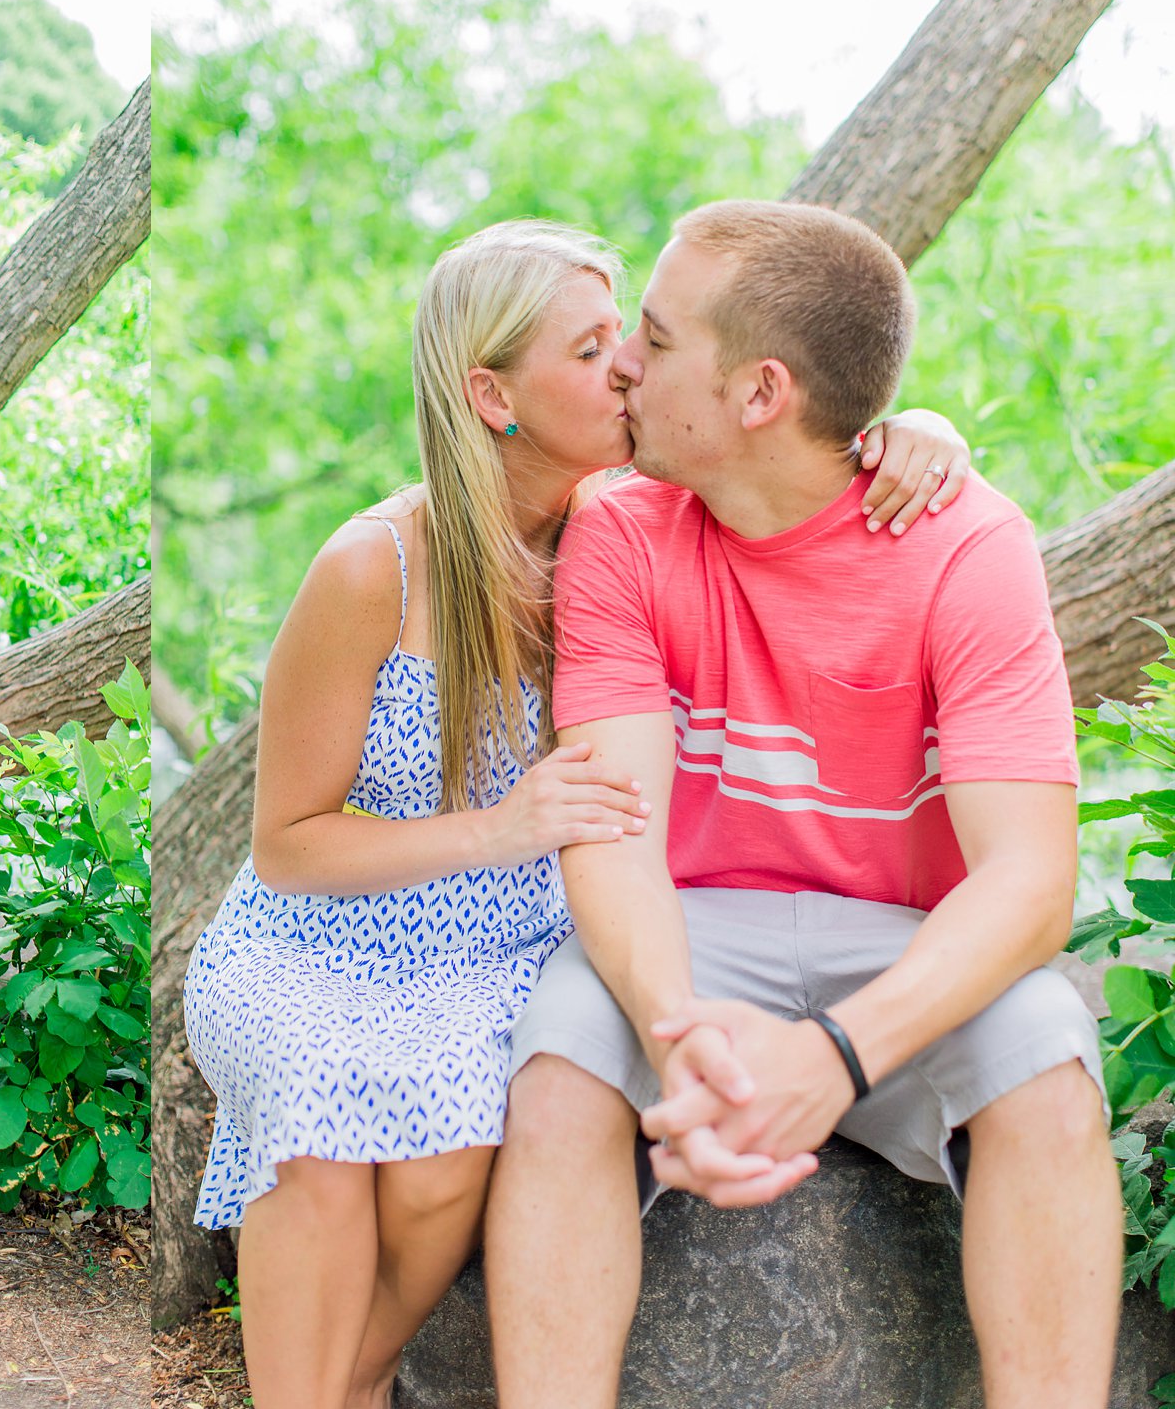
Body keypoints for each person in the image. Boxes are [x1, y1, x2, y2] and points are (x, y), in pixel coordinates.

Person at [181, 219, 975, 1409]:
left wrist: (912, 434)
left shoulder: (638, 522)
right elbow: (284, 845)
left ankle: (351, 1384)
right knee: (324, 1152)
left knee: (443, 1171)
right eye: (591, 345)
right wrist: (499, 828)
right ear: (491, 394)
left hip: (504, 947)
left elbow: (784, 452)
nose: (627, 368)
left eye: (629, 340)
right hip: (318, 941)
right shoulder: (372, 568)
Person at [484, 200, 1120, 1409]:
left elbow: (1028, 882)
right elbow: (611, 824)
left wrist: (832, 1058)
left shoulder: (965, 543)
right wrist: (679, 1038)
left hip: (906, 943)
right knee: (562, 1052)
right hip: (691, 923)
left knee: (1045, 1056)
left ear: (759, 393)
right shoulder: (619, 524)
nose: (623, 357)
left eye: (656, 340)